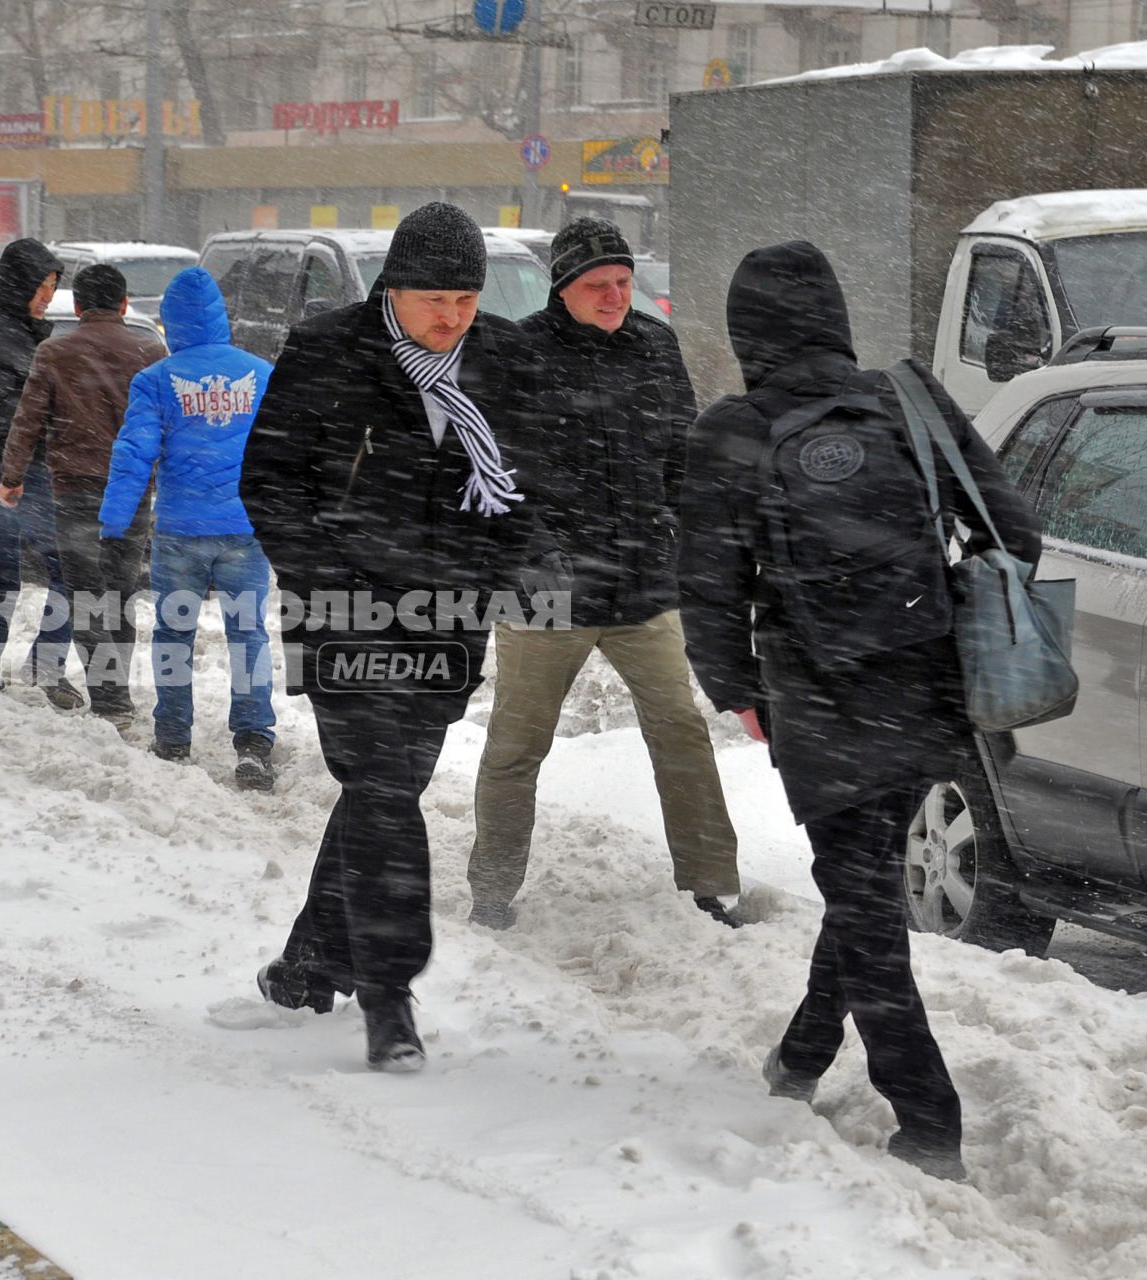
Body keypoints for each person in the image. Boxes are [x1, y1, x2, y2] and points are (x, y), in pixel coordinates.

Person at [677, 241, 1042, 1181]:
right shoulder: (909, 398)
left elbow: (710, 588)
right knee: (867, 882)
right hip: (925, 690)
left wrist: (736, 691)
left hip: (819, 694)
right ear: (836, 317)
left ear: (746, 331)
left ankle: (929, 1119)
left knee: (865, 903)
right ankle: (802, 1053)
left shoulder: (733, 432)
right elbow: (1016, 532)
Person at [241, 203, 566, 1071]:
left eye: (466, 297)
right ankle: (390, 997)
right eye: (435, 297)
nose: (453, 316)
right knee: (381, 786)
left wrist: (515, 569)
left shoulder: (505, 359)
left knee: (387, 791)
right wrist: (325, 576)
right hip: (343, 611)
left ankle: (312, 960)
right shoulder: (327, 351)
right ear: (392, 286)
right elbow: (269, 481)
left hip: (446, 619)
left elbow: (532, 489)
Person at [469, 218, 741, 929]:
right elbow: (488, 471)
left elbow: (682, 454)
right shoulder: (519, 353)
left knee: (681, 727)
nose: (616, 295)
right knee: (516, 745)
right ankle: (492, 890)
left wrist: (689, 531)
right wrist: (531, 549)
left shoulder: (655, 344)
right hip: (545, 591)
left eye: (623, 282)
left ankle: (711, 885)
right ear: (564, 290)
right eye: (598, 285)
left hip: (642, 582)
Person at [100, 266, 278, 787]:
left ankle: (173, 737)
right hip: (245, 529)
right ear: (221, 317)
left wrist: (114, 517)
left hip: (180, 530)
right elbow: (285, 452)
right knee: (249, 636)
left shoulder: (156, 380)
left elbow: (134, 452)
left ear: (171, 323)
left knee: (173, 635)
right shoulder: (260, 373)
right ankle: (253, 741)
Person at [0, 264, 169, 731]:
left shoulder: (54, 352)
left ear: (76, 306)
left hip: (74, 488)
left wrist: (12, 474)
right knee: (120, 590)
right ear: (124, 304)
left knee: (85, 595)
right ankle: (118, 697)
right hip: (133, 491)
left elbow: (28, 418)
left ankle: (109, 699)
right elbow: (165, 422)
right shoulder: (150, 351)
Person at [0, 238, 76, 705]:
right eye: (41, 286)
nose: (48, 295)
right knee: (13, 569)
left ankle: (30, 667)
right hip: (5, 467)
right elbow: (9, 407)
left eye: (52, 286)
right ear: (18, 284)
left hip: (28, 465)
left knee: (48, 569)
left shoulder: (28, 329)